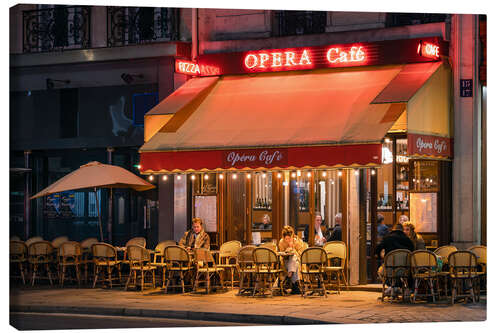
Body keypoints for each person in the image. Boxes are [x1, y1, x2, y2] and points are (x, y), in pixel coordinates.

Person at [376, 223, 414, 294]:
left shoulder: (387, 238)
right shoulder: (408, 240)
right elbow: (412, 252)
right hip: (405, 270)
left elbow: (377, 249)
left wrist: (380, 258)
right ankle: (399, 287)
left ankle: (393, 286)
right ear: (402, 230)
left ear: (393, 230)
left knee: (380, 271)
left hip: (390, 270)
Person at [278, 226, 304, 294]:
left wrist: (293, 249)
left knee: (294, 258)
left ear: (292, 236)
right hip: (285, 262)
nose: (288, 240)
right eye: (286, 239)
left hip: (298, 261)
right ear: (283, 237)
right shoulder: (281, 242)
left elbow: (301, 254)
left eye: (289, 238)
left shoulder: (298, 241)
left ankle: (289, 277)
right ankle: (295, 285)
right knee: (294, 263)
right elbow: (281, 255)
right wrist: (287, 251)